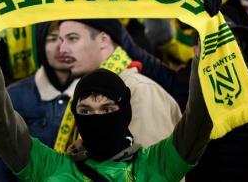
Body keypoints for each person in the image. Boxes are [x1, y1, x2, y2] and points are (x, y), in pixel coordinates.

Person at [0, 0, 215, 181]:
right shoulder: (54, 167)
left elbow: (199, 121)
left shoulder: (152, 159)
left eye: (107, 109)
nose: (62, 49)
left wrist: (207, 32)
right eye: (85, 111)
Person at [58, 18, 182, 147]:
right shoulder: (89, 91)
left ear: (103, 40)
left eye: (72, 38)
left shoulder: (140, 91)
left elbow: (151, 158)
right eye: (61, 41)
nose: (62, 50)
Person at [0, 22, 76, 181]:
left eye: (70, 39)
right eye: (52, 39)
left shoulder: (93, 94)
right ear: (40, 43)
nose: (61, 47)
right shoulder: (15, 94)